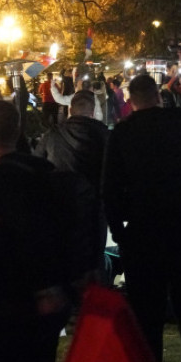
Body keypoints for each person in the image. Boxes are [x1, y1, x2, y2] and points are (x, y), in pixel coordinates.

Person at [102, 45, 181, 362]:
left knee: (147, 316)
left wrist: (119, 233)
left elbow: (108, 188)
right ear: (158, 96)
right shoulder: (177, 121)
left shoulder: (122, 133)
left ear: (131, 99)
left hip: (143, 230)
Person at [0, 100, 96, 362]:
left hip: (12, 302)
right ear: (18, 131)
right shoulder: (43, 173)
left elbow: (22, 233)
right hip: (50, 303)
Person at [35, 89, 110, 264]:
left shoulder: (53, 134)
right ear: (92, 113)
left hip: (59, 206)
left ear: (70, 111)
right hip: (95, 209)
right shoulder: (105, 136)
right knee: (93, 260)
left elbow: (36, 164)